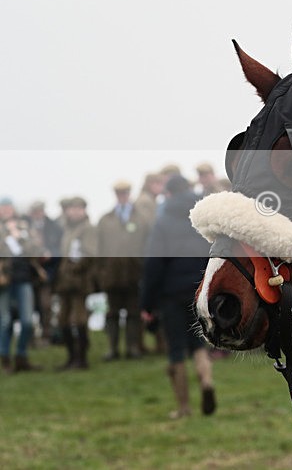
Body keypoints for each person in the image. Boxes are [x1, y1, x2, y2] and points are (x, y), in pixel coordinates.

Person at [141, 175, 216, 419]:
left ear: (169, 193)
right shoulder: (202, 216)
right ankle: (206, 382)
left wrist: (147, 302)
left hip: (171, 294)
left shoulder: (162, 221)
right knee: (199, 344)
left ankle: (184, 407)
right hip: (199, 290)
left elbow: (154, 264)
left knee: (176, 349)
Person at [96, 180, 150, 360]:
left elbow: (146, 246)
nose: (123, 196)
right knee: (112, 313)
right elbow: (99, 248)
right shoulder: (105, 220)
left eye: (125, 193)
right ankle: (112, 348)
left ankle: (132, 347)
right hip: (111, 275)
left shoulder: (140, 219)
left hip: (134, 273)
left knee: (133, 313)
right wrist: (102, 273)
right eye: (119, 193)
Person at [0, 197, 44, 373]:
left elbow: (36, 248)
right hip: (3, 281)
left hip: (24, 278)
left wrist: (19, 237)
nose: (6, 210)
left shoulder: (24, 227)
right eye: (3, 207)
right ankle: (4, 359)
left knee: (26, 321)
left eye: (9, 207)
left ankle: (21, 356)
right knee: (4, 321)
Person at [55, 197, 97, 370]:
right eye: (72, 208)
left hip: (79, 281)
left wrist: (75, 268)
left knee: (79, 319)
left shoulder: (87, 229)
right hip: (65, 281)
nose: (74, 211)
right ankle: (71, 357)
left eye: (78, 208)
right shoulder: (67, 229)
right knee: (63, 319)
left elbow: (90, 254)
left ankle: (81, 359)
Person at [26, 200, 63, 344]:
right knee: (30, 306)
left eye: (39, 210)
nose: (37, 214)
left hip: (47, 273)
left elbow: (59, 249)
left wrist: (50, 255)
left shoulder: (54, 227)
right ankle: (31, 337)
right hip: (29, 274)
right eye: (35, 211)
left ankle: (47, 334)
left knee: (45, 305)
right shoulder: (25, 227)